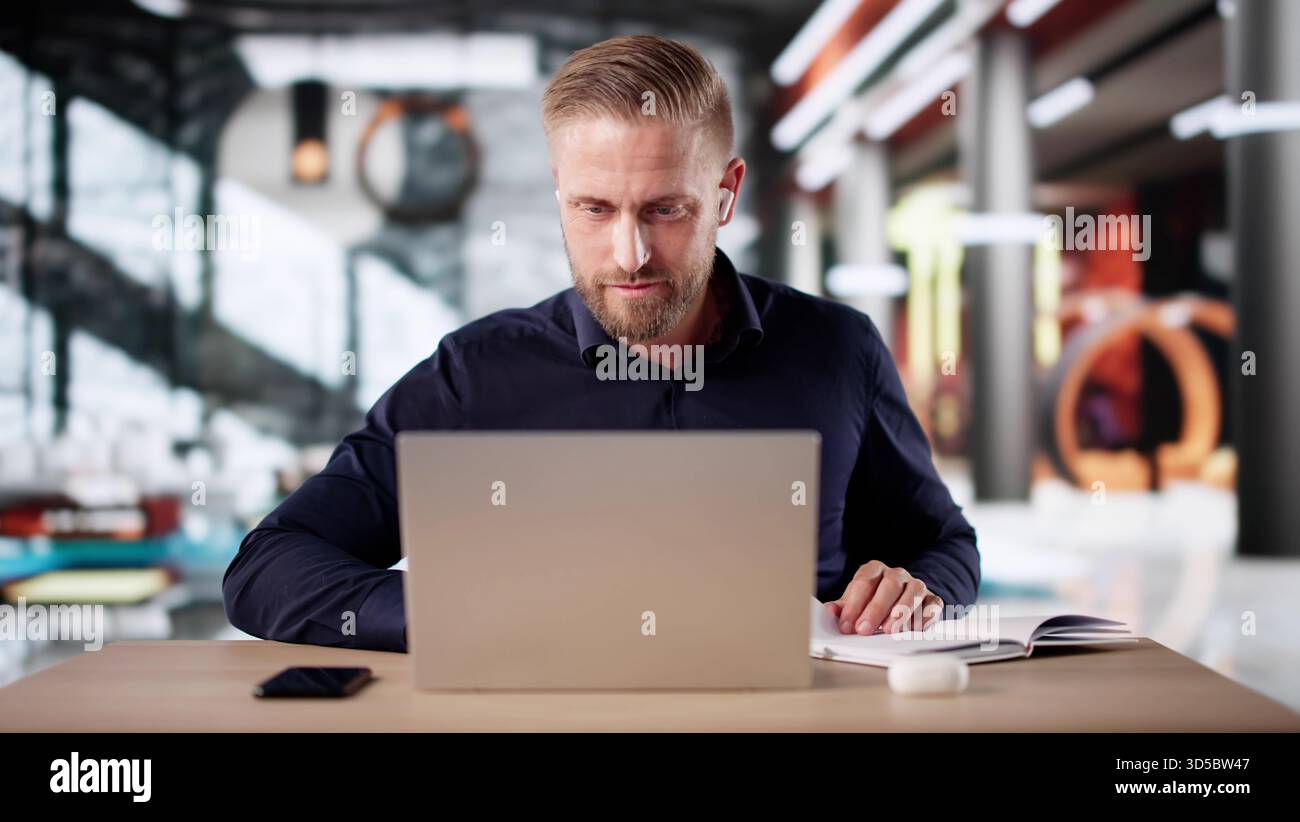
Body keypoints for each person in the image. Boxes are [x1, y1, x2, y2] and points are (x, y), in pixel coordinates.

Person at [223, 34, 979, 652]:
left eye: (666, 210)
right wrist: (484, 613)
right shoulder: (476, 375)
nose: (630, 254)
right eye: (593, 208)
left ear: (727, 193)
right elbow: (268, 569)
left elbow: (943, 545)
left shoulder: (838, 350)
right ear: (559, 188)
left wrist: (918, 587)